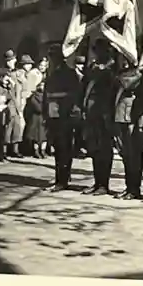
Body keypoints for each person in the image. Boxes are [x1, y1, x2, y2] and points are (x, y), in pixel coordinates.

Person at [80, 39, 118, 196]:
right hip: (91, 112)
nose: (96, 53)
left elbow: (113, 90)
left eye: (99, 50)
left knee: (104, 149)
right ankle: (97, 182)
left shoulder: (112, 68)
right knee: (94, 149)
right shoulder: (93, 67)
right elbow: (84, 86)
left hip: (105, 113)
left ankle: (104, 184)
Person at [42, 45, 83, 191]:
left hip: (64, 117)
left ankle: (62, 180)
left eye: (53, 57)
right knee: (57, 148)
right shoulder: (51, 73)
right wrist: (45, 115)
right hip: (53, 116)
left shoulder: (69, 73)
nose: (51, 60)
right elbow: (45, 97)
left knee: (63, 148)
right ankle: (61, 176)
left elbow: (75, 95)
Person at [113, 54, 143, 200]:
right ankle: (129, 187)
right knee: (126, 154)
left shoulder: (141, 74)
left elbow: (127, 83)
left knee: (134, 155)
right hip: (121, 116)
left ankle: (135, 189)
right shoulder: (122, 73)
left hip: (133, 118)